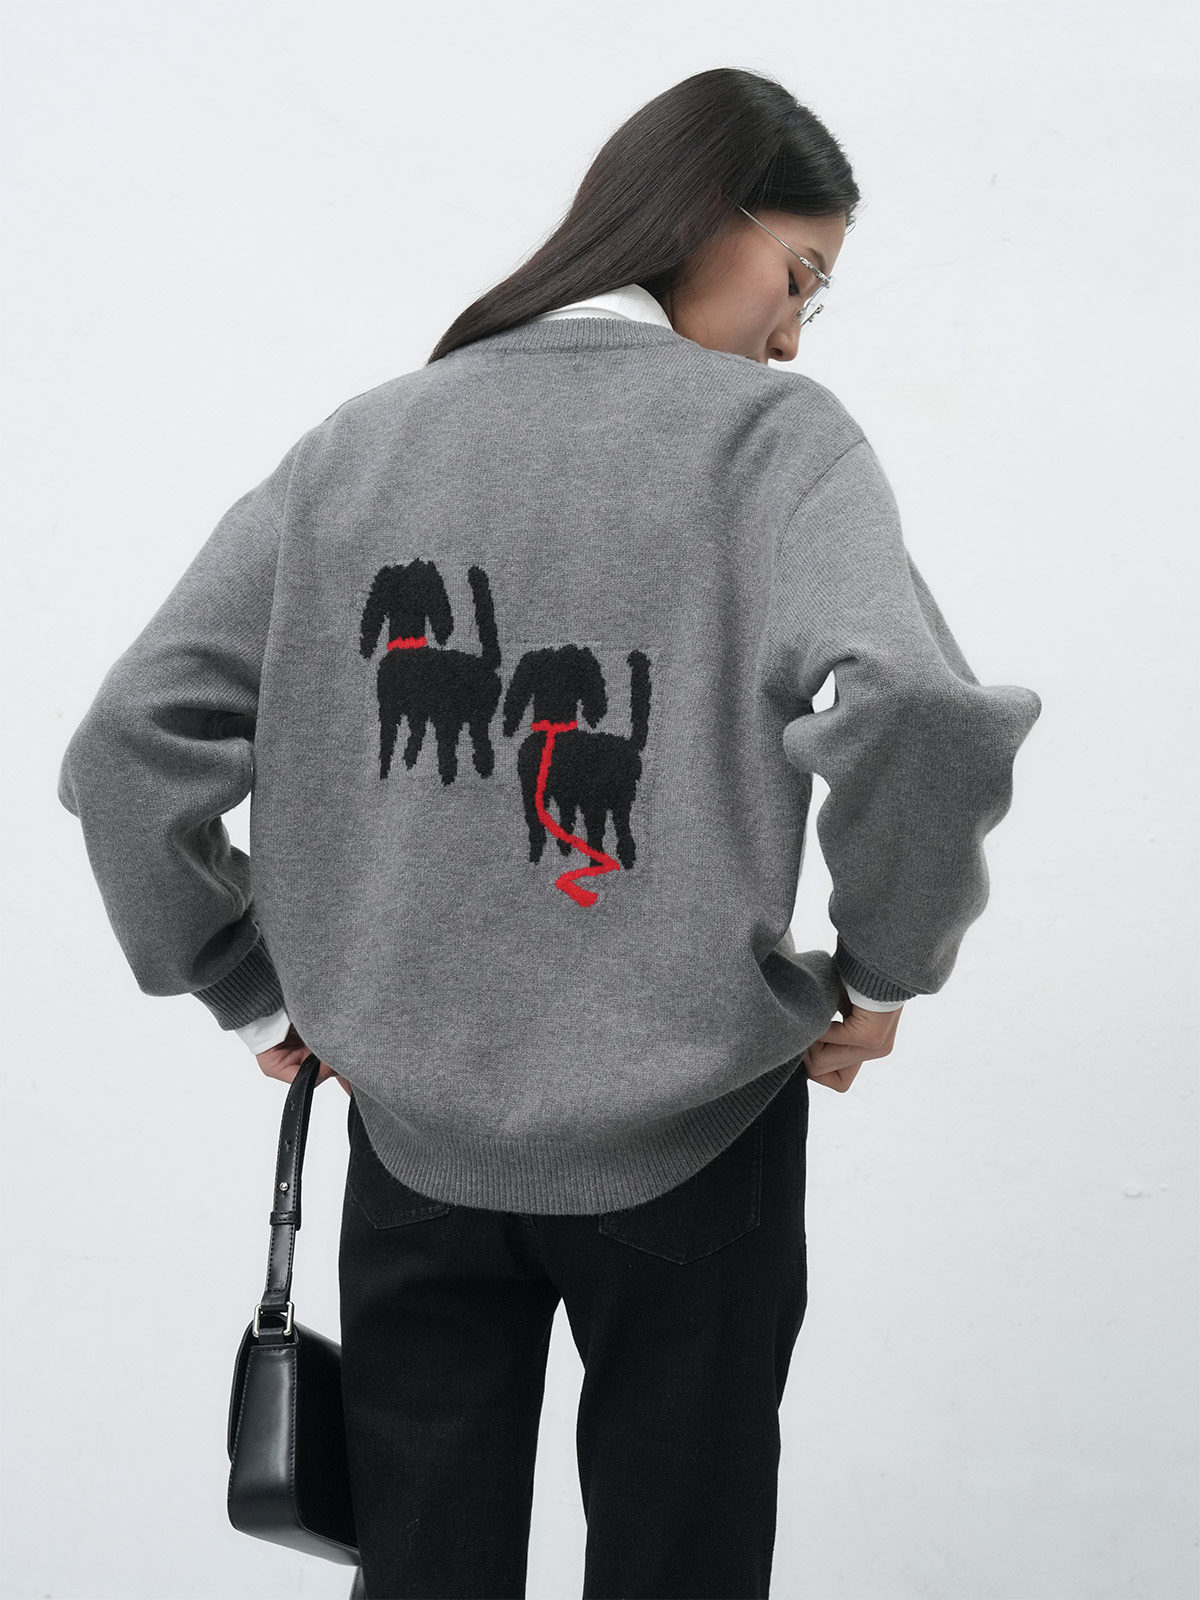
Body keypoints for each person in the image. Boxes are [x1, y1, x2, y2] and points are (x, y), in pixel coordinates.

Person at [56, 66, 1041, 1600]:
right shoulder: (776, 444)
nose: (792, 334)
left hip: (415, 1146)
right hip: (697, 1140)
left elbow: (130, 745)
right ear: (706, 216)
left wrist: (251, 986)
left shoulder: (364, 444)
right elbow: (916, 708)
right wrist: (881, 969)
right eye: (799, 277)